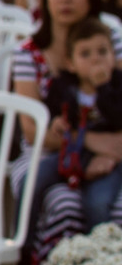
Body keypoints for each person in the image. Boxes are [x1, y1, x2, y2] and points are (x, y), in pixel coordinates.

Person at [9, 0, 122, 265]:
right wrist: (90, 142)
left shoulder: (111, 38)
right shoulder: (28, 52)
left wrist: (109, 153)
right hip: (47, 152)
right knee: (63, 204)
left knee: (113, 206)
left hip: (113, 153)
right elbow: (33, 132)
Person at [40, 18, 122, 223]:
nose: (95, 60)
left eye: (102, 52)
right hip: (69, 153)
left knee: (97, 202)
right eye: (85, 54)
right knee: (34, 178)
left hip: (109, 157)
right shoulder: (63, 86)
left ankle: (99, 243)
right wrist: (55, 123)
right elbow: (50, 113)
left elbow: (118, 118)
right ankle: (24, 239)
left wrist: (103, 88)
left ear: (114, 56)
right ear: (70, 63)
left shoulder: (118, 85)